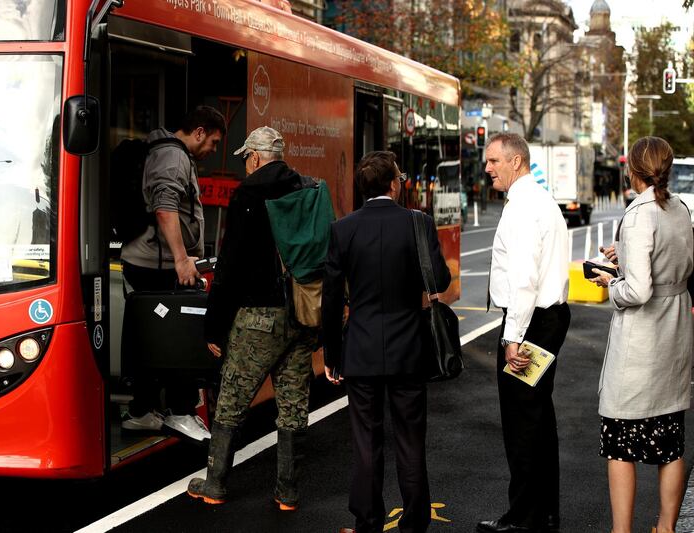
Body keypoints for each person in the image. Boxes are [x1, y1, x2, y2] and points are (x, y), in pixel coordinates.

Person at [187, 126, 319, 511]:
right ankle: (288, 493)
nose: (246, 164)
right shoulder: (307, 188)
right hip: (301, 313)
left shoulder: (248, 194)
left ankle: (214, 484)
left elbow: (230, 266)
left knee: (232, 399)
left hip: (258, 317)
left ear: (257, 157)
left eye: (247, 158)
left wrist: (214, 324)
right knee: (293, 404)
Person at [321, 150, 450, 533]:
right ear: (394, 184)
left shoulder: (343, 229)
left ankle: (367, 521)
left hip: (359, 350)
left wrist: (332, 353)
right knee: (411, 441)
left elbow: (330, 298)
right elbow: (439, 280)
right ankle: (413, 523)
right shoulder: (418, 223)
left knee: (365, 441)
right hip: (409, 349)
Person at [588, 136, 693, 533]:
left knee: (620, 441)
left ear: (632, 169)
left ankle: (622, 531)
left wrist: (610, 283)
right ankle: (666, 528)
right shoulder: (678, 207)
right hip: (675, 333)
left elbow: (638, 290)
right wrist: (627, 255)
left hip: (642, 343)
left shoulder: (638, 213)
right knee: (670, 443)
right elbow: (675, 263)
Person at [477, 133, 570, 533]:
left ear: (516, 161)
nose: (487, 168)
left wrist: (512, 336)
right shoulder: (539, 201)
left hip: (531, 324)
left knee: (522, 423)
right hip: (545, 320)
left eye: (494, 160)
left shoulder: (524, 208)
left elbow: (525, 280)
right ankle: (545, 511)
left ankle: (523, 517)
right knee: (539, 418)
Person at [120, 105, 226, 439]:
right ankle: (180, 411)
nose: (212, 149)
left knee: (153, 336)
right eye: (213, 142)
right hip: (159, 262)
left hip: (150, 259)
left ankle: (144, 410)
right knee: (183, 332)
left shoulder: (169, 153)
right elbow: (165, 207)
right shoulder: (173, 156)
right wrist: (182, 259)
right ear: (198, 132)